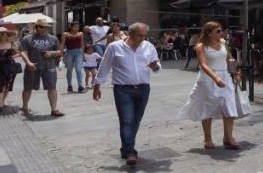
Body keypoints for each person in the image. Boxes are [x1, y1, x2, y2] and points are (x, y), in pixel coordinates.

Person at [94, 22, 162, 166]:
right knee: (126, 120)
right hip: (123, 89)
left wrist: (155, 66)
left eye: (144, 36)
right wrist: (97, 85)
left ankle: (126, 147)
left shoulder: (148, 47)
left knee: (136, 120)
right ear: (130, 34)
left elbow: (156, 66)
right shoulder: (114, 47)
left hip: (143, 88)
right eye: (140, 35)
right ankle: (130, 151)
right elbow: (105, 66)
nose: (143, 38)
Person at [178, 20, 249, 150]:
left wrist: (236, 73)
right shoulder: (201, 46)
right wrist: (215, 77)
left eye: (221, 30)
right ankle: (207, 138)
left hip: (226, 77)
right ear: (209, 33)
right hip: (208, 79)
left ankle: (228, 137)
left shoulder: (223, 43)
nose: (222, 33)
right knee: (207, 108)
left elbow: (230, 58)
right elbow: (203, 64)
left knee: (229, 107)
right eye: (218, 31)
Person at [20, 20, 65, 117]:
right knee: (28, 87)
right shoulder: (27, 39)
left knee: (52, 87)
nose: (42, 29)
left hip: (49, 66)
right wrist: (28, 63)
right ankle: (25, 107)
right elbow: (23, 52)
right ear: (36, 27)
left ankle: (54, 109)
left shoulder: (53, 38)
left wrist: (51, 53)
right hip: (33, 66)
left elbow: (59, 52)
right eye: (40, 27)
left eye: (44, 27)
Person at [61, 22, 86, 94]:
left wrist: (83, 54)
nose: (77, 28)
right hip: (69, 52)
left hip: (79, 52)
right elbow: (62, 45)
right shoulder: (65, 34)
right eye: (75, 27)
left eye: (78, 27)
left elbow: (82, 44)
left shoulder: (81, 34)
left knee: (78, 69)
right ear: (71, 27)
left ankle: (80, 86)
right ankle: (69, 85)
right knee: (69, 69)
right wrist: (61, 55)